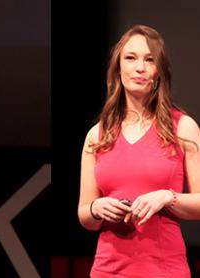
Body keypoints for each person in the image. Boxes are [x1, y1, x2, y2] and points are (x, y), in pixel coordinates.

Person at [78, 24, 200, 277]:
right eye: (130, 58)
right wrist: (96, 208)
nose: (140, 68)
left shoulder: (183, 127)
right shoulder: (97, 135)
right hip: (107, 270)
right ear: (118, 68)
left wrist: (169, 197)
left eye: (149, 60)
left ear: (159, 71)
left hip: (164, 269)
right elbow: (84, 214)